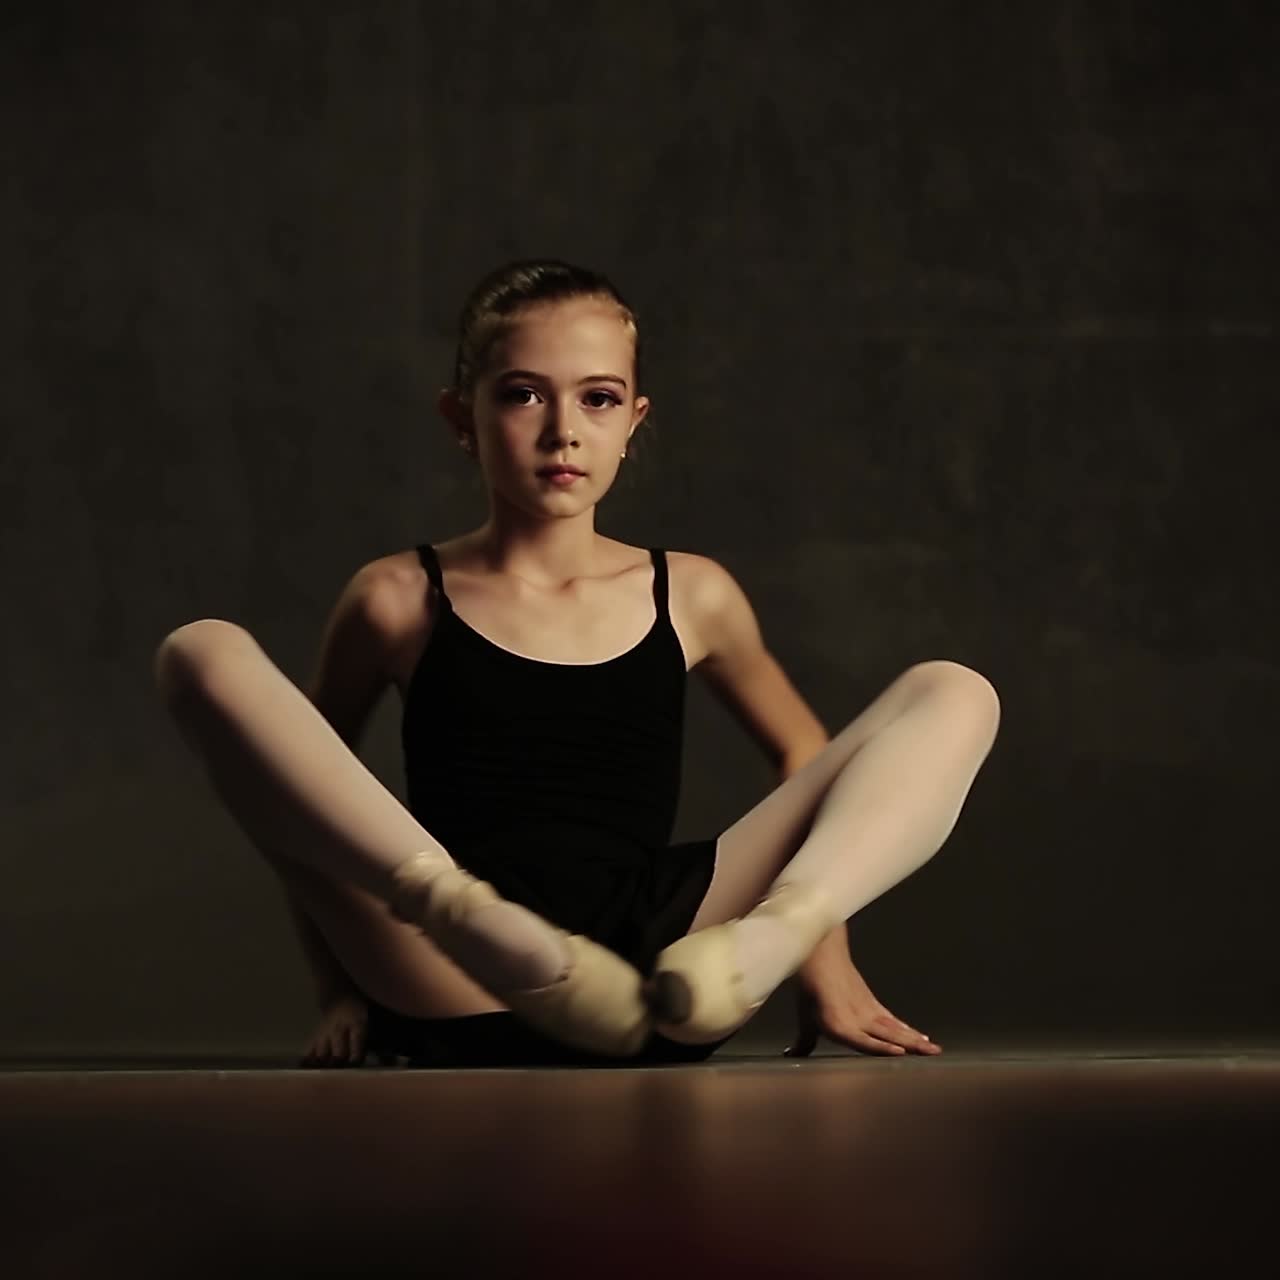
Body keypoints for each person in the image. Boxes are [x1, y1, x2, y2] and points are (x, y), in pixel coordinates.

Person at [153, 258, 1001, 1069]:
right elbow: (295, 810)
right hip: (455, 965)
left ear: (632, 421)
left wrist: (818, 950)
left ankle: (772, 935)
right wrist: (338, 985)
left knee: (954, 692)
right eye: (523, 395)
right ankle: (480, 921)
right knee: (201, 653)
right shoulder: (398, 596)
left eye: (597, 400)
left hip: (665, 968)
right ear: (462, 419)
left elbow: (805, 756)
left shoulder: (690, 592)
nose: (563, 431)